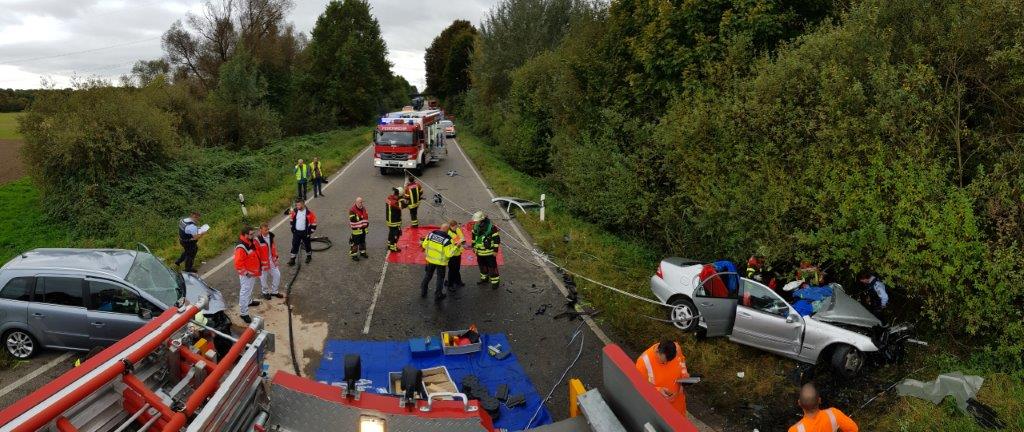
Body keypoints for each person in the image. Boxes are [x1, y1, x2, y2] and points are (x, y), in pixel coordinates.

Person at [635, 340, 690, 417]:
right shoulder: (643, 363)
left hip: (678, 403)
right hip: (659, 407)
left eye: (669, 361)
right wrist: (658, 390)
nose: (666, 363)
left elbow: (681, 361)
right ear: (657, 351)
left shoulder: (676, 348)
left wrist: (684, 374)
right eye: (663, 361)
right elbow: (640, 386)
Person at [788, 383, 859, 432]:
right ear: (819, 400)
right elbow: (854, 429)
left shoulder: (795, 430)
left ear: (799, 403)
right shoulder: (834, 414)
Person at [420, 223, 458, 301]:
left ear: (440, 228)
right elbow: (449, 254)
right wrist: (456, 247)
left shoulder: (431, 235)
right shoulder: (447, 240)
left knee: (428, 275)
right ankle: (438, 294)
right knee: (440, 279)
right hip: (441, 263)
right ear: (448, 231)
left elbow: (424, 245)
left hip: (430, 260)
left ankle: (423, 290)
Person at [233, 226, 262, 324]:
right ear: (245, 235)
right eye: (251, 234)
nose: (253, 235)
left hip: (252, 272)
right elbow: (238, 264)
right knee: (245, 291)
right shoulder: (241, 247)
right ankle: (243, 313)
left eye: (253, 233)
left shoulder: (249, 241)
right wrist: (246, 273)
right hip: (247, 274)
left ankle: (249, 302)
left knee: (249, 289)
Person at [471, 211, 501, 289]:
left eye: (477, 220)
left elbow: (496, 239)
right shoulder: (475, 226)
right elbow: (474, 238)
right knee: (482, 266)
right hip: (479, 252)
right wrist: (473, 246)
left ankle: (495, 282)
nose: (475, 222)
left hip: (489, 253)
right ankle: (484, 279)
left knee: (492, 267)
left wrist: (495, 250)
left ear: (482, 219)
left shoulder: (491, 227)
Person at [256, 223, 283, 300]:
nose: (267, 231)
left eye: (268, 229)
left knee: (277, 275)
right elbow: (256, 253)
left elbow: (273, 247)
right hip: (262, 263)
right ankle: (265, 292)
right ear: (260, 230)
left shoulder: (271, 236)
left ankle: (274, 291)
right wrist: (259, 264)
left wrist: (275, 257)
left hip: (271, 260)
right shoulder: (257, 240)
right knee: (263, 278)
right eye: (265, 230)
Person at [288, 199, 318, 266]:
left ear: (303, 204)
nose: (297, 206)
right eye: (296, 205)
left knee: (307, 245)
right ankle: (292, 259)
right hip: (297, 232)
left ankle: (309, 256)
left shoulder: (309, 213)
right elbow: (291, 219)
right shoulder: (295, 212)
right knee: (295, 245)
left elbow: (314, 223)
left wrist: (310, 232)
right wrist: (292, 229)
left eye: (299, 205)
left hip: (305, 233)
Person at [445, 219, 466, 290]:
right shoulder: (448, 233)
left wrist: (461, 241)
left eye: (457, 226)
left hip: (458, 253)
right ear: (451, 226)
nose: (456, 228)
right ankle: (450, 285)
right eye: (455, 227)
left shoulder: (457, 229)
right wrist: (459, 242)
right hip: (452, 254)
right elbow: (453, 243)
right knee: (452, 270)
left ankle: (458, 281)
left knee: (457, 268)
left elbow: (462, 237)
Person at [385, 187, 408, 253]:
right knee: (396, 234)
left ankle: (389, 244)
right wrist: (405, 200)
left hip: (389, 220)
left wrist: (400, 198)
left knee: (391, 232)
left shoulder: (389, 197)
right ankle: (393, 247)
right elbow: (403, 206)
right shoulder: (395, 203)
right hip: (394, 221)